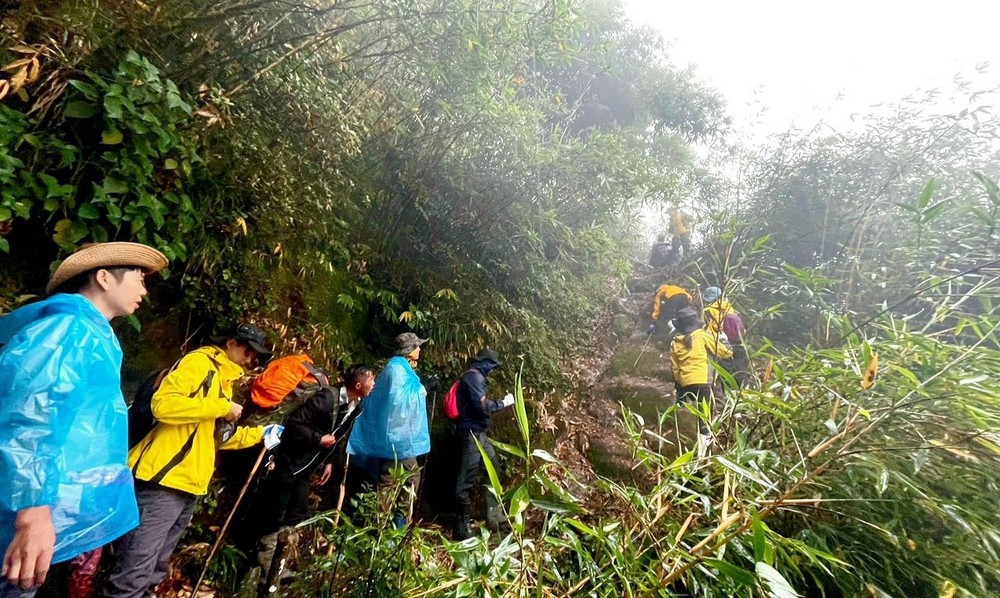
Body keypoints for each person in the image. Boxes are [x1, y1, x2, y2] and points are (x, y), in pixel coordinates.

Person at [0, 242, 168, 598]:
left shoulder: (91, 334)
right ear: (104, 278)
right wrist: (32, 515)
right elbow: (30, 417)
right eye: (138, 279)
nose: (144, 290)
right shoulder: (69, 331)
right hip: (26, 515)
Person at [104, 324, 279, 598]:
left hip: (190, 486)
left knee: (155, 569)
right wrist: (221, 407)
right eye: (248, 350)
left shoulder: (224, 380)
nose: (250, 358)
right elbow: (162, 405)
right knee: (134, 571)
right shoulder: (199, 362)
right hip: (161, 481)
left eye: (255, 356)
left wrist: (260, 435)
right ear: (231, 342)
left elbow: (213, 437)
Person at [253, 364, 375, 572]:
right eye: (371, 380)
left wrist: (329, 461)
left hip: (307, 467)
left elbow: (337, 435)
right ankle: (264, 567)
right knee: (275, 514)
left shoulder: (356, 406)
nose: (374, 384)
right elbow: (295, 424)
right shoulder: (327, 399)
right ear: (357, 384)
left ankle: (280, 564)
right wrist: (318, 439)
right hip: (289, 463)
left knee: (297, 512)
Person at [345, 333, 430, 528]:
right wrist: (420, 390)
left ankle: (395, 526)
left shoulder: (402, 368)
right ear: (409, 350)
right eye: (417, 346)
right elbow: (397, 402)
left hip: (400, 437)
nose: (420, 349)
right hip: (396, 438)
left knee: (408, 481)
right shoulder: (397, 369)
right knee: (391, 483)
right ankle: (380, 532)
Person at [452, 348, 515, 541]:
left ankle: (495, 519)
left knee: (494, 471)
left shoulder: (476, 377)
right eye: (493, 366)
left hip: (479, 434)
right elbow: (482, 406)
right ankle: (462, 529)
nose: (493, 370)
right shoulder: (473, 378)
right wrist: (503, 403)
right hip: (471, 434)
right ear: (485, 363)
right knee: (465, 480)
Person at [669, 307, 732, 457]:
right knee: (705, 416)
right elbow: (725, 353)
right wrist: (725, 342)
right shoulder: (702, 336)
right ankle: (704, 453)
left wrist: (681, 384)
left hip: (685, 383)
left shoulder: (674, 343)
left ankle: (684, 448)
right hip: (703, 381)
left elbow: (675, 369)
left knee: (689, 414)